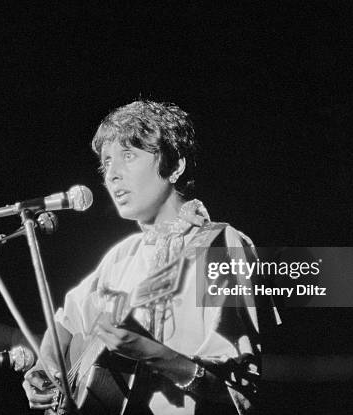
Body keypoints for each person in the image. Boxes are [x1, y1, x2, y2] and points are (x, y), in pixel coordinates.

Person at [22, 100, 261, 414]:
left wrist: (153, 353)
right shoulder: (120, 257)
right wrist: (48, 369)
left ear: (175, 166)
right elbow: (64, 323)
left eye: (128, 155)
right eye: (106, 163)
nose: (112, 174)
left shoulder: (219, 243)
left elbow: (242, 389)